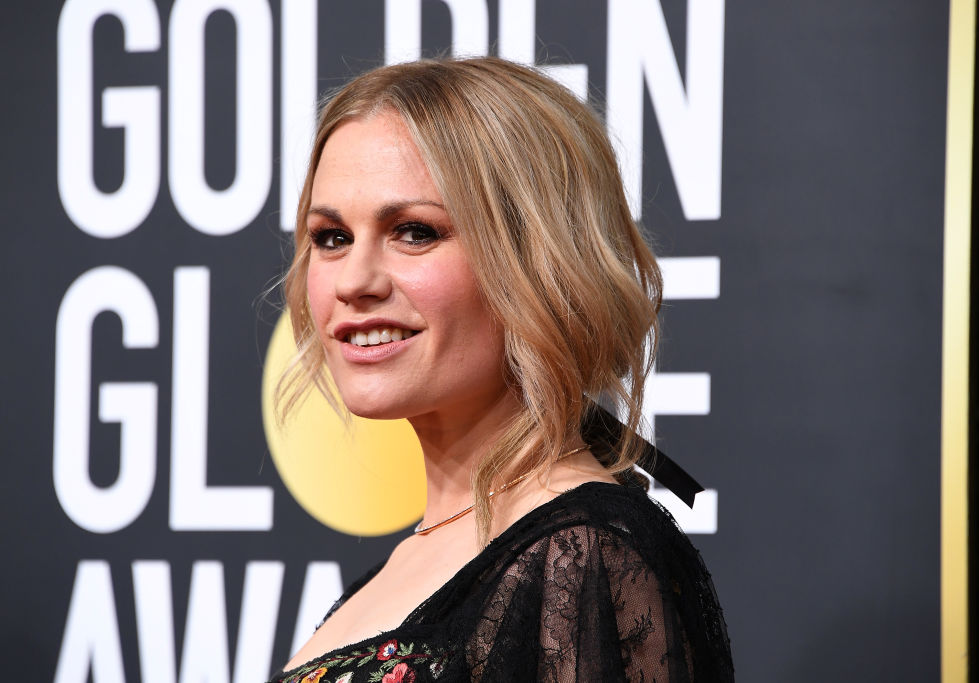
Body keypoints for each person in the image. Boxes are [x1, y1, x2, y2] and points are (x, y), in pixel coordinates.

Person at [269, 57, 733, 683]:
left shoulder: (585, 555)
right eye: (330, 237)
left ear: (537, 260)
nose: (353, 281)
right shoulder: (391, 575)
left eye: (413, 231)